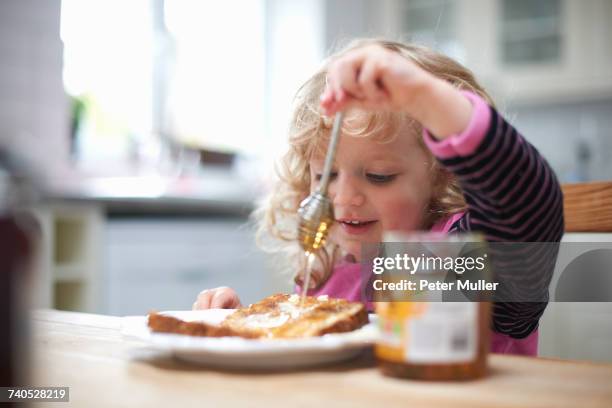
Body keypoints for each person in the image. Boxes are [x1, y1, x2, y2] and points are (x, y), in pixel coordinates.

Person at [192, 39, 564, 356]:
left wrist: (430, 100)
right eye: (327, 176)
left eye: (378, 176)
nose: (344, 197)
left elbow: (527, 209)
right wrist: (240, 330)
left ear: (443, 172)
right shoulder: (328, 274)